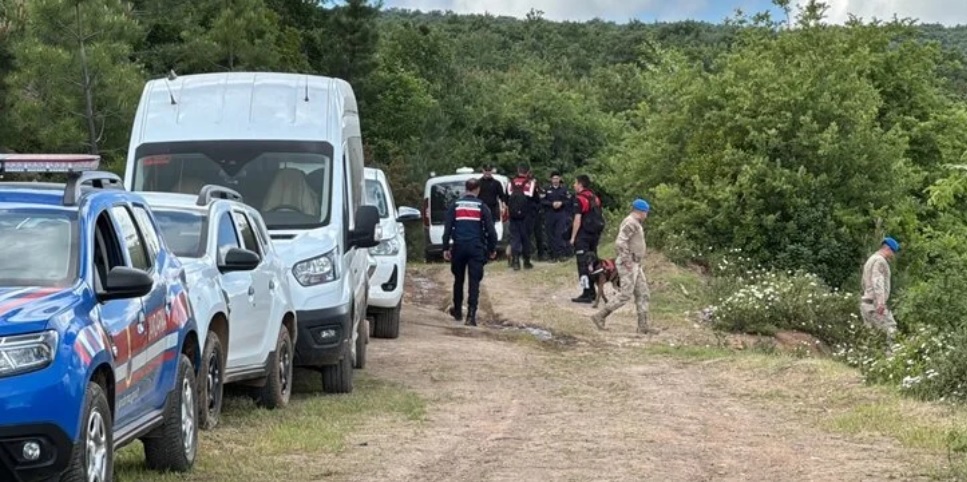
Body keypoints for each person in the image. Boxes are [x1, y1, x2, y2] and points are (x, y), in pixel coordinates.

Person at [591, 199, 659, 335]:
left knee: (643, 293)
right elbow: (620, 242)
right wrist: (627, 260)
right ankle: (600, 316)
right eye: (646, 212)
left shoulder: (635, 223)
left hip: (635, 263)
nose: (647, 215)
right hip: (629, 263)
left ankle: (643, 326)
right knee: (625, 294)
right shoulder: (630, 222)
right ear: (640, 211)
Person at [442, 178, 498, 326]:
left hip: (459, 247)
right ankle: (471, 315)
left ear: (465, 189)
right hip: (476, 248)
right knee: (474, 282)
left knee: (458, 280)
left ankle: (458, 311)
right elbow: (491, 231)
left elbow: (447, 229)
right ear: (478, 190)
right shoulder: (482, 207)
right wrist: (492, 249)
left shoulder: (455, 205)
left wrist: (445, 248)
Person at [570, 174, 605, 303]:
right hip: (594, 235)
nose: (573, 185)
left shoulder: (579, 199)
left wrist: (573, 237)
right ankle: (594, 290)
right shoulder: (594, 197)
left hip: (583, 235)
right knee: (593, 262)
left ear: (580, 184)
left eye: (575, 183)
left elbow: (577, 219)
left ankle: (587, 293)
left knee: (583, 264)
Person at [860, 237, 900, 344]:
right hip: (875, 305)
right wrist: (881, 303)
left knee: (872, 336)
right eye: (893, 252)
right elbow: (877, 281)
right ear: (888, 249)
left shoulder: (871, 259)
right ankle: (892, 358)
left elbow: (864, 282)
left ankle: (868, 358)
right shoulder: (880, 261)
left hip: (865, 303)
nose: (893, 255)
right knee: (891, 329)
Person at [511, 165, 538, 269]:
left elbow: (506, 197)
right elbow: (536, 199)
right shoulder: (530, 184)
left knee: (515, 238)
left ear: (518, 171)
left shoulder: (511, 183)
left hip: (513, 216)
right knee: (526, 238)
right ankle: (526, 261)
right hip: (527, 216)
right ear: (528, 172)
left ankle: (516, 261)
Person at [541, 171, 572, 262]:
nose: (555, 180)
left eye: (557, 178)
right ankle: (552, 255)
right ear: (551, 179)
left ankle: (561, 254)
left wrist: (561, 203)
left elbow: (569, 200)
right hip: (550, 214)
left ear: (560, 179)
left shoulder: (564, 189)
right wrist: (551, 204)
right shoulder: (546, 189)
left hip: (561, 214)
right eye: (554, 179)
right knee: (550, 234)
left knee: (560, 233)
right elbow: (542, 201)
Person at [507, 182, 531, 270]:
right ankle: (526, 262)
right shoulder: (528, 188)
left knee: (515, 240)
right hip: (524, 219)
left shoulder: (510, 188)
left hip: (513, 219)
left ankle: (516, 261)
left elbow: (506, 202)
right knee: (525, 240)